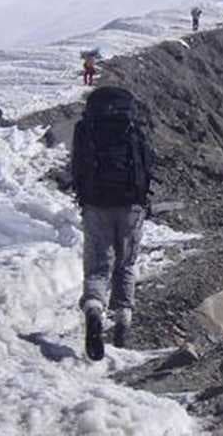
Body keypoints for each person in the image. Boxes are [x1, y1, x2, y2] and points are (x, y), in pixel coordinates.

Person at [71, 86, 155, 360]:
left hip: (96, 204)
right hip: (131, 205)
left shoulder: (86, 128)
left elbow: (77, 166)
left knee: (97, 266)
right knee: (126, 263)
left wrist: (82, 196)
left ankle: (95, 308)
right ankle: (122, 323)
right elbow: (147, 163)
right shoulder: (131, 127)